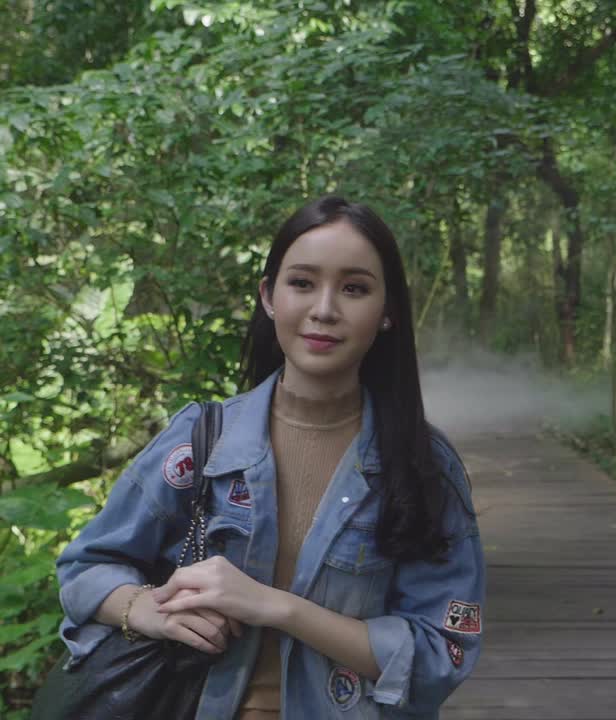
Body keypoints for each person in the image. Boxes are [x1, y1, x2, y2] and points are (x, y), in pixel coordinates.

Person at [55, 196, 484, 719]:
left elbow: (443, 653)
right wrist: (146, 609)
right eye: (302, 283)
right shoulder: (200, 441)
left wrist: (276, 607)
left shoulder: (424, 466)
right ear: (269, 297)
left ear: (388, 311)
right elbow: (86, 566)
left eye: (354, 288)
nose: (324, 309)